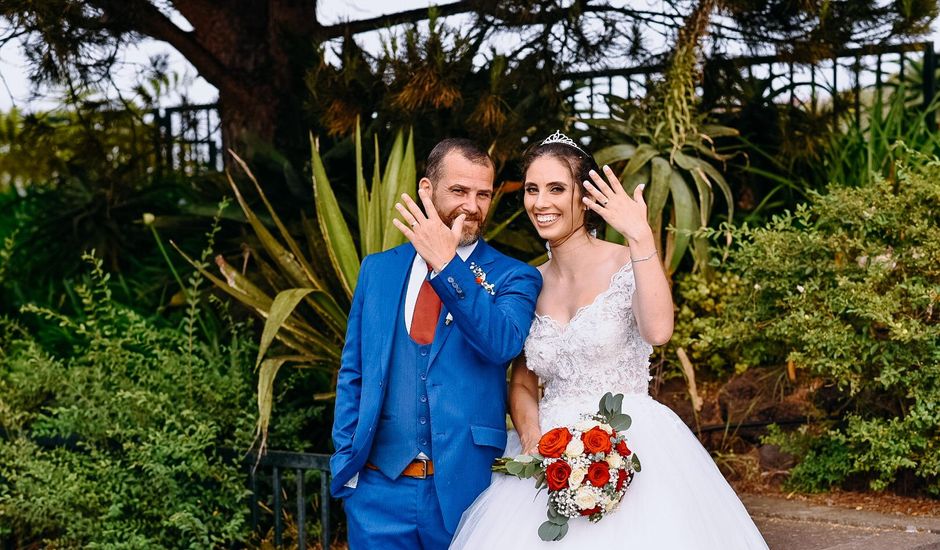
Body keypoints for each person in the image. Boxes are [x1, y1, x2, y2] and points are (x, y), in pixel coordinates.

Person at [450, 131, 769, 549]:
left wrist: (641, 237)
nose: (540, 202)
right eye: (532, 189)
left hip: (631, 443)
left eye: (556, 189)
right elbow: (524, 383)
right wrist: (534, 441)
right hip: (550, 452)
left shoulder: (628, 261)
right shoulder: (526, 281)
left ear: (585, 196)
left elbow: (658, 331)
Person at [330, 138, 543, 550]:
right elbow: (354, 372)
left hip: (467, 492)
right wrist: (347, 469)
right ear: (428, 190)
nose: (472, 206)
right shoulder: (378, 270)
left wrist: (447, 266)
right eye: (459, 191)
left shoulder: (515, 276)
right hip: (377, 493)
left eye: (483, 194)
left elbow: (501, 345)